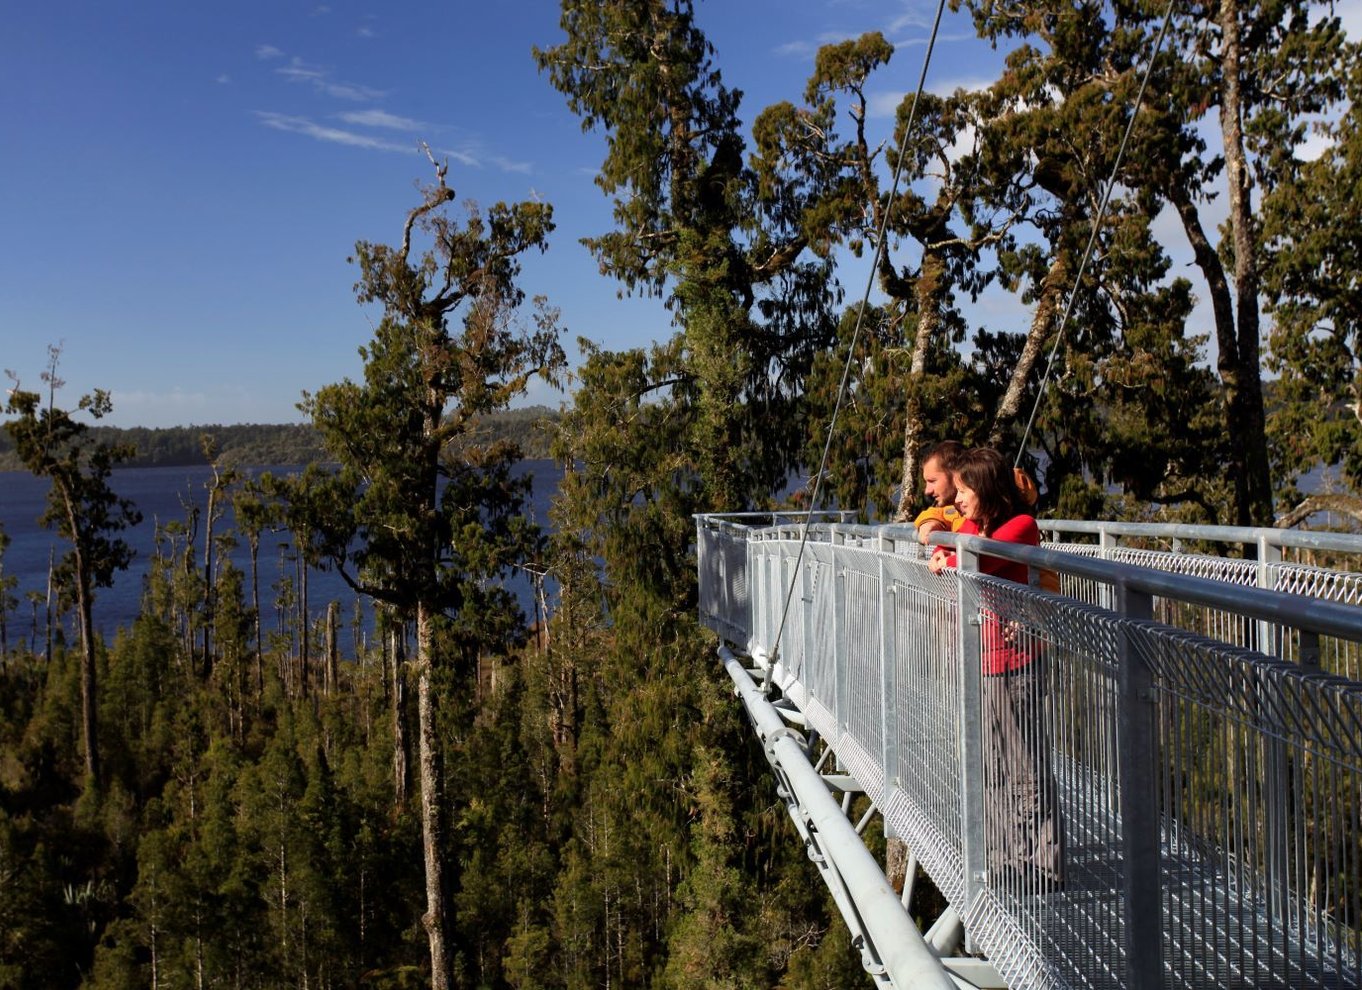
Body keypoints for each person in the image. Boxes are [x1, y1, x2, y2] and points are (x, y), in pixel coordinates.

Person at [927, 446, 1065, 890]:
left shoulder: (1020, 526)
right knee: (991, 767)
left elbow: (971, 560)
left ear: (985, 489)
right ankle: (1006, 858)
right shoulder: (980, 523)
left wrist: (946, 555)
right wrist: (944, 545)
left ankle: (1043, 863)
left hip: (1017, 663)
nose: (957, 499)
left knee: (1025, 765)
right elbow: (951, 545)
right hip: (987, 659)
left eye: (964, 490)